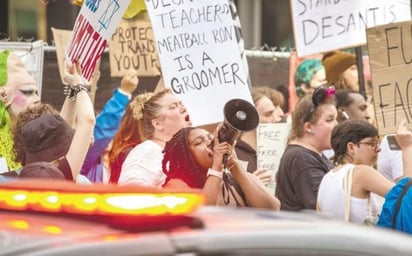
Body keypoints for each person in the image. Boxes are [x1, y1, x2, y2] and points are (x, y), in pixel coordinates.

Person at [12, 62, 95, 182]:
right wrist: (79, 85)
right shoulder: (61, 178)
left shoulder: (14, 180)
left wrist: (73, 89)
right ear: (59, 158)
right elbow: (88, 120)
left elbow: (62, 125)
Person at [317, 120, 412, 224]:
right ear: (351, 147)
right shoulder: (361, 172)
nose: (378, 149)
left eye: (378, 143)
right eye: (372, 143)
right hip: (363, 239)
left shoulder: (327, 178)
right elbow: (406, 195)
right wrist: (407, 147)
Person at [162, 126, 280, 210]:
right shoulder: (177, 185)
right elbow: (202, 213)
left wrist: (234, 164)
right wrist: (217, 166)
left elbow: (272, 208)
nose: (209, 142)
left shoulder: (234, 179)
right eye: (199, 142)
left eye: (210, 137)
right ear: (185, 156)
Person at [275, 85, 337, 211]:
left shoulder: (309, 154)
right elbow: (324, 206)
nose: (337, 125)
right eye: (329, 120)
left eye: (336, 119)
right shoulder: (301, 158)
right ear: (309, 127)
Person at [118, 88, 192, 187]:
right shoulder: (145, 153)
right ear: (157, 124)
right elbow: (130, 194)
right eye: (173, 107)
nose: (184, 108)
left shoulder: (181, 153)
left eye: (181, 104)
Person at [80, 70, 138, 183]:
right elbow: (103, 128)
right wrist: (122, 95)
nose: (108, 137)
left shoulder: (122, 160)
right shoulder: (86, 160)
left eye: (112, 133)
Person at [0, 50, 41, 172]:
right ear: (4, 96)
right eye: (28, 92)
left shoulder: (36, 135)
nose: (37, 99)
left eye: (36, 92)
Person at [235, 86, 284, 185]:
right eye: (268, 114)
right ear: (249, 119)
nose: (277, 119)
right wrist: (252, 186)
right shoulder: (234, 154)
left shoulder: (282, 147)